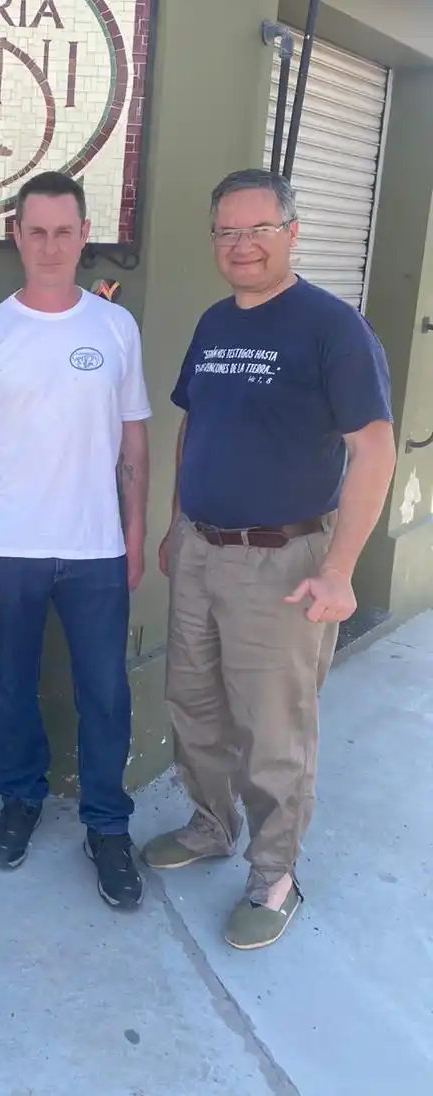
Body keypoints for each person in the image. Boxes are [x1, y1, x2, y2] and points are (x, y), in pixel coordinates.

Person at [143, 168, 395, 950]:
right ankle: (212, 825)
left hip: (284, 563)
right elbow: (194, 425)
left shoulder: (331, 327)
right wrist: (177, 523)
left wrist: (341, 569)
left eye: (258, 229)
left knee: (274, 729)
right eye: (227, 231)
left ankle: (275, 875)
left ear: (291, 233)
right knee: (194, 703)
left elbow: (375, 449)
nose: (241, 245)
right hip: (200, 551)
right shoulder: (216, 322)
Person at [0, 171, 151, 911]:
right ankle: (20, 801)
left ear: (83, 234)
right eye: (38, 231)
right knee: (14, 689)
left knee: (105, 695)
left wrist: (132, 530)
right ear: (17, 237)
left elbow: (134, 444)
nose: (52, 245)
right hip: (8, 550)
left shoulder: (115, 328)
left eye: (65, 231)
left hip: (96, 551)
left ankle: (107, 825)